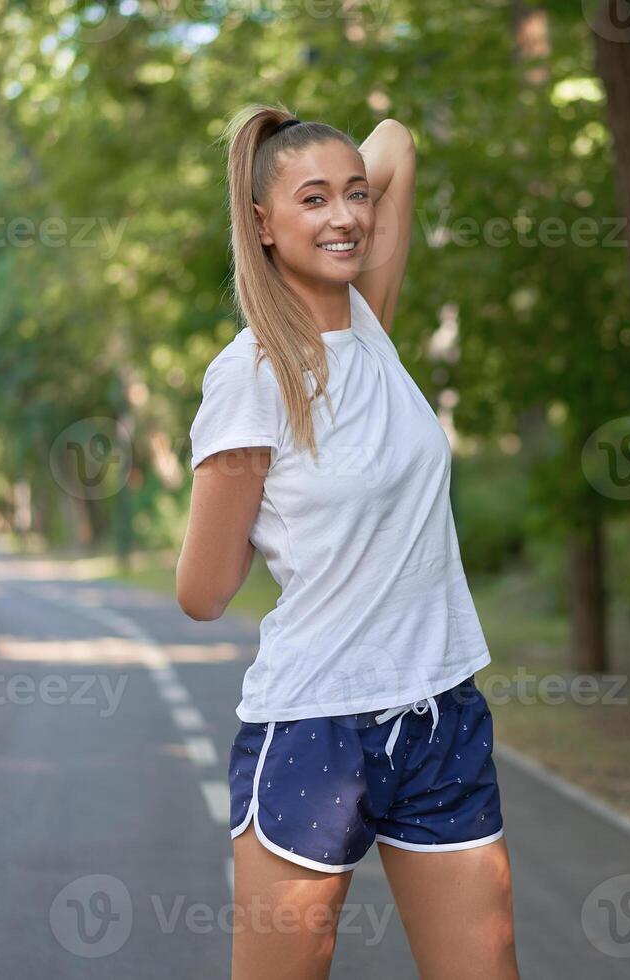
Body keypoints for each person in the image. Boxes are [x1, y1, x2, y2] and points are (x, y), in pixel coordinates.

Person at [175, 105, 520, 980]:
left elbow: (398, 137)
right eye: (312, 200)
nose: (346, 217)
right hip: (316, 727)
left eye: (355, 198)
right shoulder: (250, 376)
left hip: (442, 712)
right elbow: (203, 591)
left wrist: (299, 163)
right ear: (260, 224)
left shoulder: (370, 325)